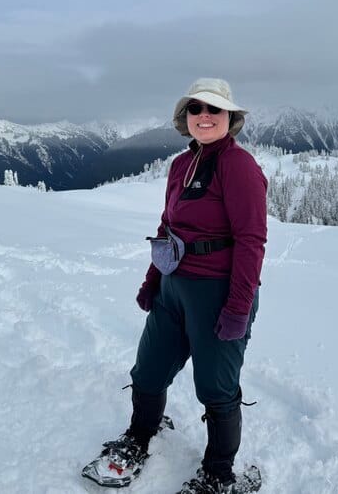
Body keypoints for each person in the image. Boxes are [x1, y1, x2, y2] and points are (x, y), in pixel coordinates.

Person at [99, 78, 268, 493]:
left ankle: (219, 475)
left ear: (231, 117)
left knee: (216, 388)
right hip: (175, 287)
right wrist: (152, 279)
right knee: (149, 369)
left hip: (219, 291)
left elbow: (251, 240)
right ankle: (139, 436)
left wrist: (238, 307)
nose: (204, 116)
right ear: (185, 118)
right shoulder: (180, 165)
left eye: (214, 109)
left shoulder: (238, 166)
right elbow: (167, 227)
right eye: (196, 109)